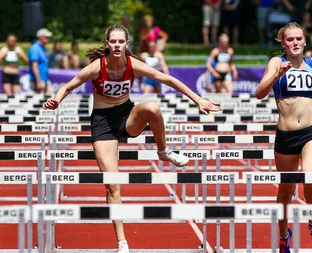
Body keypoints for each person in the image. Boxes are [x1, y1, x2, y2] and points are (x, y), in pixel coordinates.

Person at [42, 25, 221, 253]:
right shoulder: (97, 67)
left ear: (127, 44)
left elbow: (167, 79)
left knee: (153, 109)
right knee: (112, 184)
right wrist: (56, 100)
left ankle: (163, 151)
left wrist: (198, 99)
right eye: (113, 42)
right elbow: (68, 86)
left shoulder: (133, 65)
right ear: (107, 44)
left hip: (127, 116)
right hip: (103, 123)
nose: (117, 46)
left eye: (120, 42)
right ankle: (122, 242)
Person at [255, 22, 312, 253]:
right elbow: (259, 93)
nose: (295, 43)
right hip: (285, 135)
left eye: (299, 39)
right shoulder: (276, 63)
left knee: (309, 176)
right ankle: (284, 236)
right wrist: (278, 74)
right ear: (283, 43)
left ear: (305, 42)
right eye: (290, 39)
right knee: (285, 190)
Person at [29, 28, 51, 94]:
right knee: (39, 102)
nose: (48, 39)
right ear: (41, 37)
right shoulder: (35, 48)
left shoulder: (41, 48)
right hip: (38, 81)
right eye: (47, 37)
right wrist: (38, 81)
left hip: (44, 79)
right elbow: (34, 66)